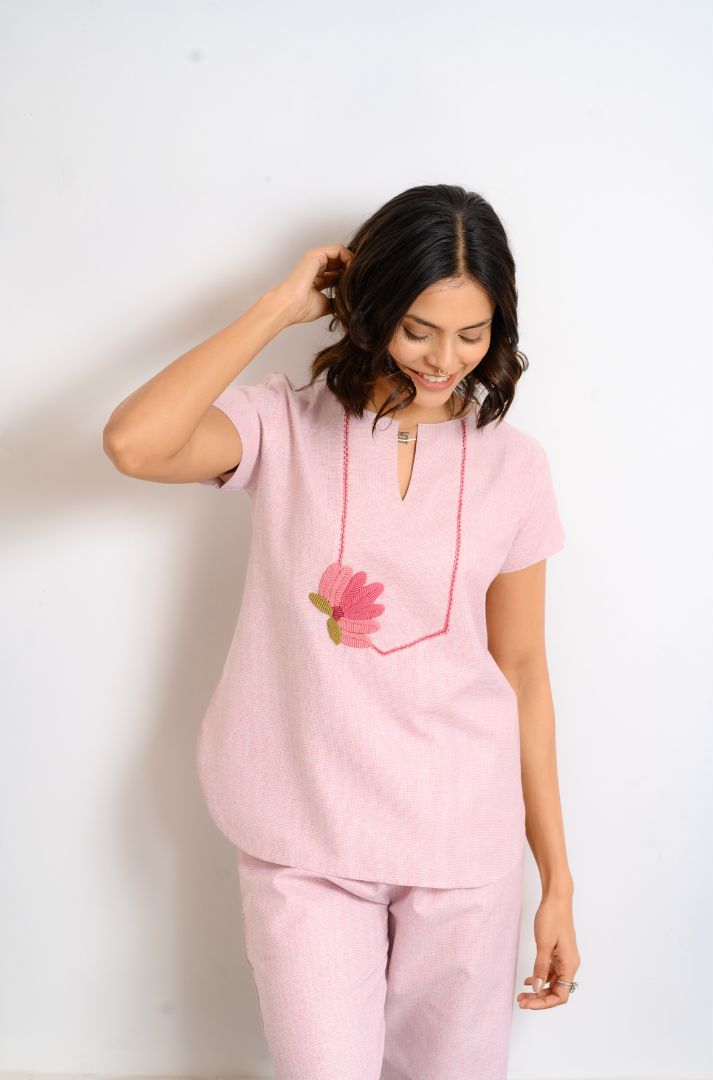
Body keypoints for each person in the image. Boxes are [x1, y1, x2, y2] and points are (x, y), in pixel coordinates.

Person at [103, 183, 581, 1080]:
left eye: (472, 335)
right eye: (418, 329)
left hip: (462, 844)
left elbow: (522, 671)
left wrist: (556, 880)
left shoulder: (517, 467)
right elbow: (136, 443)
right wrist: (277, 307)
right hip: (305, 839)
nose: (444, 360)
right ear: (370, 309)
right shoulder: (282, 423)